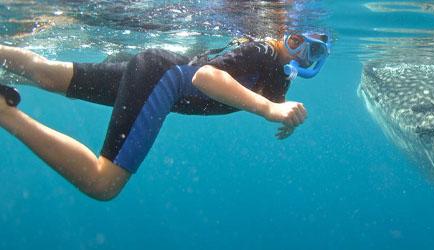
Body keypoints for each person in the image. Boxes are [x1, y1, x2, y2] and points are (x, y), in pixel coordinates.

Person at [0, 30, 331, 201]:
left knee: (47, 75)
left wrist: (281, 111)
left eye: (313, 50)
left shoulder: (278, 69)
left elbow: (269, 92)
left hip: (156, 70)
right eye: (297, 41)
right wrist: (270, 109)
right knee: (102, 183)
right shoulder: (264, 50)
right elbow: (205, 78)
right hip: (162, 77)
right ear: (283, 33)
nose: (302, 54)